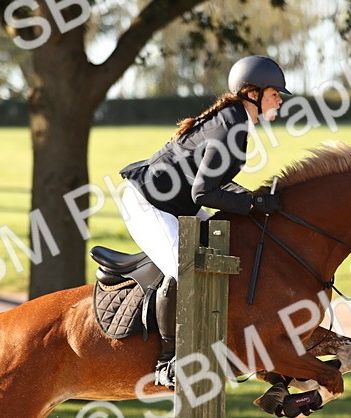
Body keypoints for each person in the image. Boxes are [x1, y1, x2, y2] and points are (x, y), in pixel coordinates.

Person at [118, 55, 290, 388]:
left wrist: (254, 200)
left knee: (230, 246)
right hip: (149, 204)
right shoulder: (230, 125)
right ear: (252, 93)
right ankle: (168, 361)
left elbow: (215, 185)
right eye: (275, 93)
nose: (280, 100)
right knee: (184, 270)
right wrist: (253, 202)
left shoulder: (234, 121)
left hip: (174, 202)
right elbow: (203, 193)